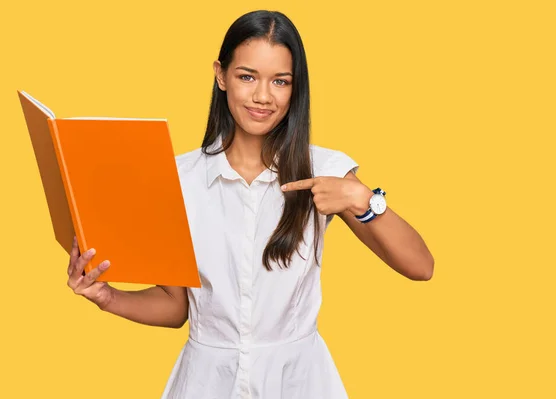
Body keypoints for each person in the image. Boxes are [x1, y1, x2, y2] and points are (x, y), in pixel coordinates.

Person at [66, 10, 434, 399]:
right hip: (206, 383)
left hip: (299, 382)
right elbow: (177, 308)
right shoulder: (176, 179)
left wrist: (362, 199)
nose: (263, 96)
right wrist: (107, 297)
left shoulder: (324, 171)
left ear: (295, 89)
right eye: (247, 77)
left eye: (280, 81)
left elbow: (420, 266)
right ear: (221, 76)